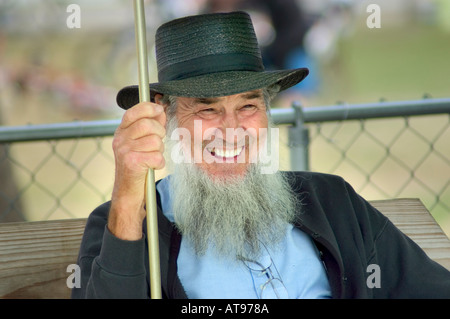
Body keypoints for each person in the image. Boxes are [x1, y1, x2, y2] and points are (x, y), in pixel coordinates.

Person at [72, 11, 450, 299]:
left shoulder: (333, 202)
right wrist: (127, 195)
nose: (231, 128)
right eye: (206, 109)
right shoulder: (127, 223)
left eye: (248, 106)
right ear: (163, 116)